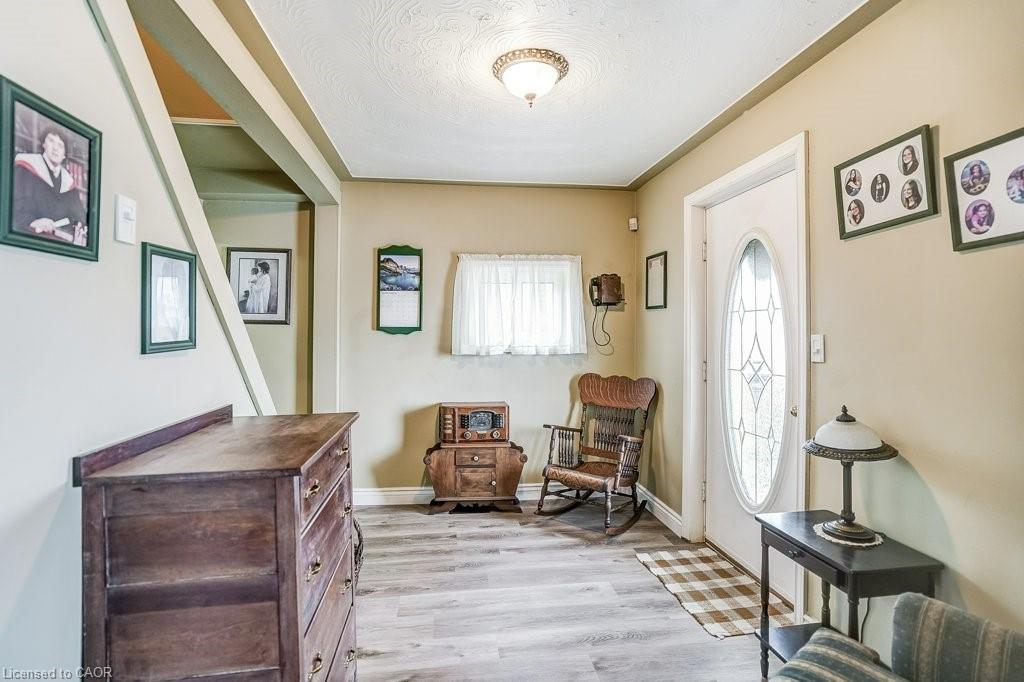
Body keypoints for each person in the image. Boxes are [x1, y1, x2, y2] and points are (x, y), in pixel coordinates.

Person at [12, 126, 87, 245]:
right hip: (29, 238)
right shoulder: (26, 166)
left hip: (60, 243)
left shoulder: (69, 183)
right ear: (43, 144)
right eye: (51, 141)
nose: (55, 148)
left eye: (60, 145)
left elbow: (79, 218)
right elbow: (14, 207)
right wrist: (32, 222)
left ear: (64, 155)